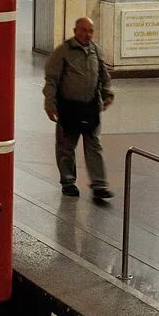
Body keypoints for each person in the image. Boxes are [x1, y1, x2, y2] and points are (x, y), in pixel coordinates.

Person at [42, 17, 115, 200]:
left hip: (90, 107)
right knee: (66, 147)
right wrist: (50, 104)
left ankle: (99, 184)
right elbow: (51, 80)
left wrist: (107, 94)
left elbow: (103, 76)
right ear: (75, 31)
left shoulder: (95, 51)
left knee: (94, 145)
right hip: (68, 108)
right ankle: (68, 182)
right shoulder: (63, 52)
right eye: (83, 30)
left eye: (90, 31)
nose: (87, 34)